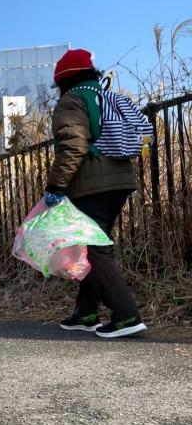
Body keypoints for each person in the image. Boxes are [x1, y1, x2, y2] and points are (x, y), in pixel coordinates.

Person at [46, 48, 146, 338]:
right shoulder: (106, 95)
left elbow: (73, 146)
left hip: (92, 185)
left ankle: (127, 315)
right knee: (92, 246)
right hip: (120, 180)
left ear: (63, 81)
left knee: (93, 249)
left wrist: (55, 187)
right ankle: (85, 313)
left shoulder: (71, 101)